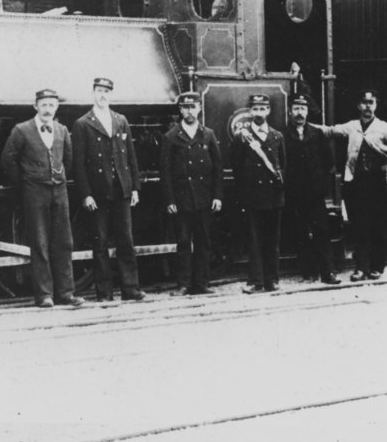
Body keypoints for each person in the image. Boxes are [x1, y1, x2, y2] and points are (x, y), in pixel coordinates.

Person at [0, 88, 84, 308]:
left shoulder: (62, 130)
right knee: (39, 243)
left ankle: (66, 293)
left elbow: (68, 159)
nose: (48, 109)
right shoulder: (21, 130)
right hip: (34, 192)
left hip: (59, 191)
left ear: (57, 107)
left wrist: (57, 177)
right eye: (44, 104)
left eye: (52, 105)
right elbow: (8, 160)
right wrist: (26, 183)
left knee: (64, 242)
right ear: (35, 106)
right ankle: (44, 295)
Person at [72, 77, 145, 302]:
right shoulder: (83, 123)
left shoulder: (120, 120)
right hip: (98, 193)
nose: (103, 95)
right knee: (100, 243)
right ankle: (104, 293)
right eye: (99, 91)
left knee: (126, 240)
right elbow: (79, 163)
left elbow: (130, 157)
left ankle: (131, 289)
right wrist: (86, 194)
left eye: (107, 91)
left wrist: (134, 188)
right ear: (93, 93)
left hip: (121, 190)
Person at [315, 90, 387, 282]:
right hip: (356, 184)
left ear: (376, 105)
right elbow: (330, 131)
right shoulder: (352, 126)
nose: (368, 106)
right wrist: (306, 125)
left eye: (371, 102)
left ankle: (377, 267)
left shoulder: (386, 128)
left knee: (378, 226)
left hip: (378, 184)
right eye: (364, 103)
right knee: (359, 227)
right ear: (359, 106)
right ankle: (361, 268)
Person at [159, 91, 223, 296]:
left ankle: (202, 284)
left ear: (199, 108)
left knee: (204, 242)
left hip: (204, 199)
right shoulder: (171, 137)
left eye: (193, 106)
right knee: (184, 242)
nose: (189, 111)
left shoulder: (209, 135)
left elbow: (218, 169)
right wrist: (170, 200)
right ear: (180, 110)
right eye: (185, 107)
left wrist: (217, 196)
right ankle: (184, 284)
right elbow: (166, 172)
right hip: (182, 199)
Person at [231, 94, 286, 293]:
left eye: (263, 109)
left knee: (273, 240)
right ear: (250, 112)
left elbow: (282, 166)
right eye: (255, 109)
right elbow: (236, 167)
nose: (259, 113)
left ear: (268, 111)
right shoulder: (242, 137)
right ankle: (256, 281)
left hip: (273, 196)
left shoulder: (277, 136)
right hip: (253, 197)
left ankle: (272, 280)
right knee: (254, 241)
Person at [282, 95, 340, 285]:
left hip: (315, 194)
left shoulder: (317, 134)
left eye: (303, 109)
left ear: (307, 111)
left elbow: (329, 162)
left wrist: (319, 182)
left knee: (321, 231)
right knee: (300, 232)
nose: (300, 113)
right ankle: (308, 272)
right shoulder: (282, 135)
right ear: (290, 111)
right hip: (294, 193)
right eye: (296, 108)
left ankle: (328, 273)